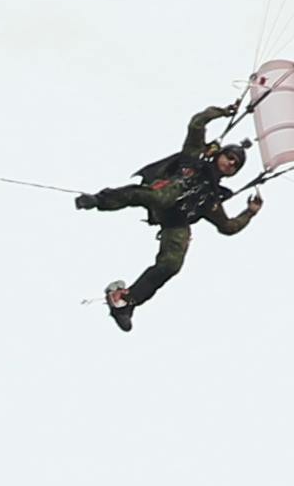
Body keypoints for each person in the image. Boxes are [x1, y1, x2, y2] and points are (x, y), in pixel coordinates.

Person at [79, 103, 263, 330]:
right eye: (230, 157)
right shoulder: (193, 159)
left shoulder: (212, 198)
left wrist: (250, 212)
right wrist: (223, 112)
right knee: (159, 197)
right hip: (163, 193)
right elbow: (197, 123)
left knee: (172, 264)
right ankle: (98, 200)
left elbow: (228, 226)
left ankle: (126, 302)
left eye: (236, 165)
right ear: (219, 154)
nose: (231, 163)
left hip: (175, 220)